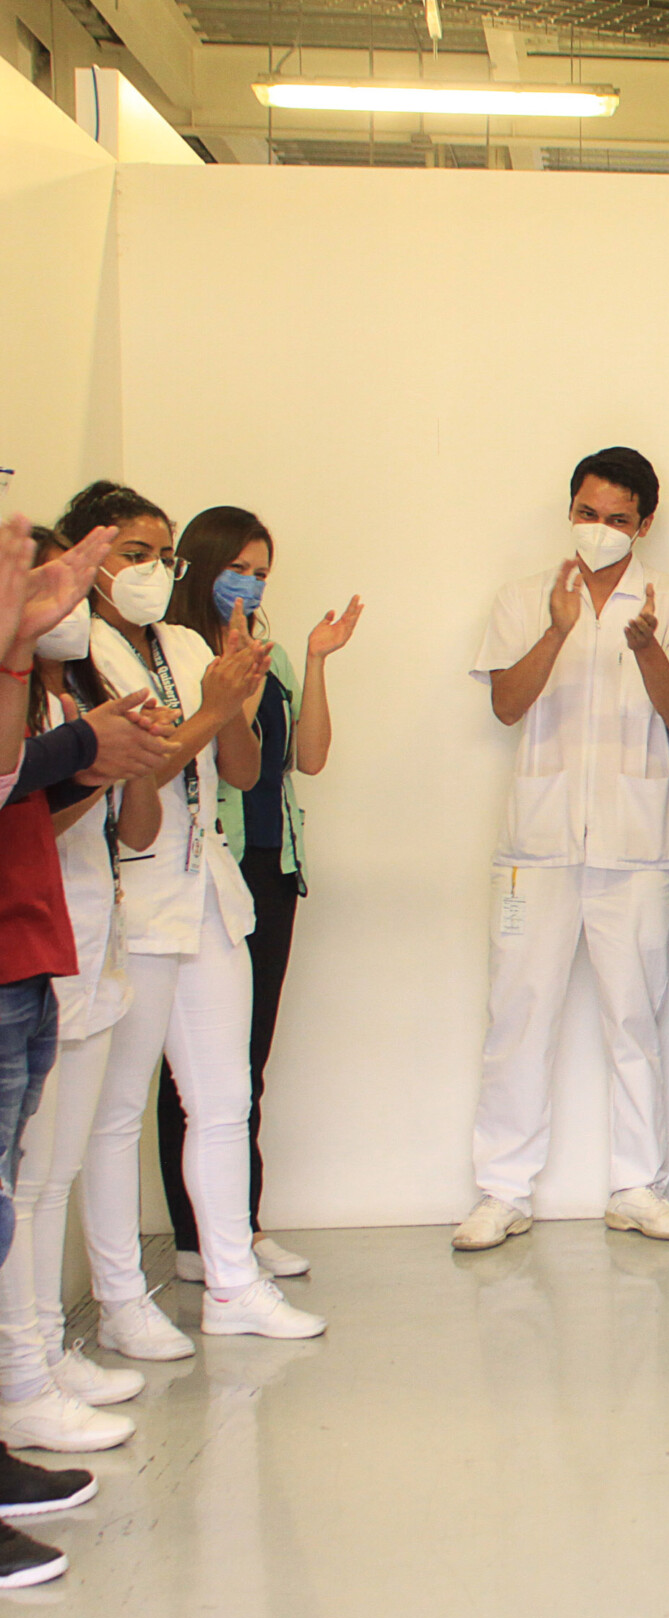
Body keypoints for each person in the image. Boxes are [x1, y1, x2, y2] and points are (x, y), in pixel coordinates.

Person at [68, 482, 324, 1345]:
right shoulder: (89, 650)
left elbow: (242, 771)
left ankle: (231, 1283)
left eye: (161, 554)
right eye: (134, 552)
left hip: (207, 886)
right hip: (133, 897)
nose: (153, 569)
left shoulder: (182, 642)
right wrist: (213, 708)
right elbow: (136, 754)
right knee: (116, 1112)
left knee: (222, 1099)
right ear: (90, 556)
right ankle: (120, 1301)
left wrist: (236, 701)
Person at [454, 448, 669, 1251]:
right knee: (519, 1014)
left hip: (635, 846)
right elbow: (505, 704)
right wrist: (559, 634)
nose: (599, 530)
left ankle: (637, 1184)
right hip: (539, 842)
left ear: (646, 525)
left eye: (618, 519)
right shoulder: (526, 597)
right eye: (588, 514)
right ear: (571, 509)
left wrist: (643, 649)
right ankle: (501, 1189)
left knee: (633, 1017)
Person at [152, 506, 361, 1285]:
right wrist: (230, 678)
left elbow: (307, 757)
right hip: (210, 866)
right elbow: (217, 755)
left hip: (273, 866)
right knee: (199, 1067)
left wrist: (315, 658)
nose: (251, 581)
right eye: (241, 565)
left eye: (264, 570)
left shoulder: (267, 658)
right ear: (202, 566)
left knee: (248, 1060)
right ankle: (194, 1237)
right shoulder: (178, 657)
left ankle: (241, 1225)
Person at [0, 523, 173, 1458]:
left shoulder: (68, 687)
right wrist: (76, 754)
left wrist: (98, 755)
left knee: (41, 1175)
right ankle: (22, 1372)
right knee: (21, 1184)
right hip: (29, 937)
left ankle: (34, 1359)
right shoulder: (36, 691)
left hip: (55, 934)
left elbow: (94, 812)